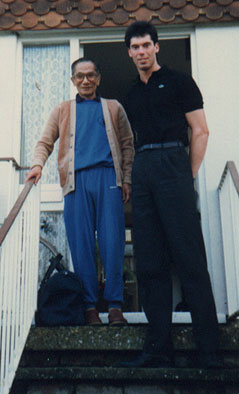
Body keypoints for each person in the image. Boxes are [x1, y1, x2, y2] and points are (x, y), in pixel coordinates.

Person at [122, 21, 223, 368]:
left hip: (173, 164)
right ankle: (158, 348)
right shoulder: (131, 94)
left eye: (146, 45)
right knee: (149, 261)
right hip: (144, 167)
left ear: (157, 47)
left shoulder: (180, 82)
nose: (141, 52)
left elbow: (201, 130)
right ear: (129, 52)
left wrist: (187, 174)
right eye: (134, 47)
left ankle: (209, 350)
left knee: (189, 257)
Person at [25, 57, 134, 326]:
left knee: (112, 242)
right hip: (75, 184)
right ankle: (89, 308)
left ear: (98, 78)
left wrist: (127, 178)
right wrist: (37, 165)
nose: (86, 80)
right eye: (80, 76)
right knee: (82, 245)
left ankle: (115, 306)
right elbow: (45, 142)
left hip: (108, 179)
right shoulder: (62, 109)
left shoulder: (114, 108)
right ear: (72, 80)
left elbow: (127, 144)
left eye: (91, 75)